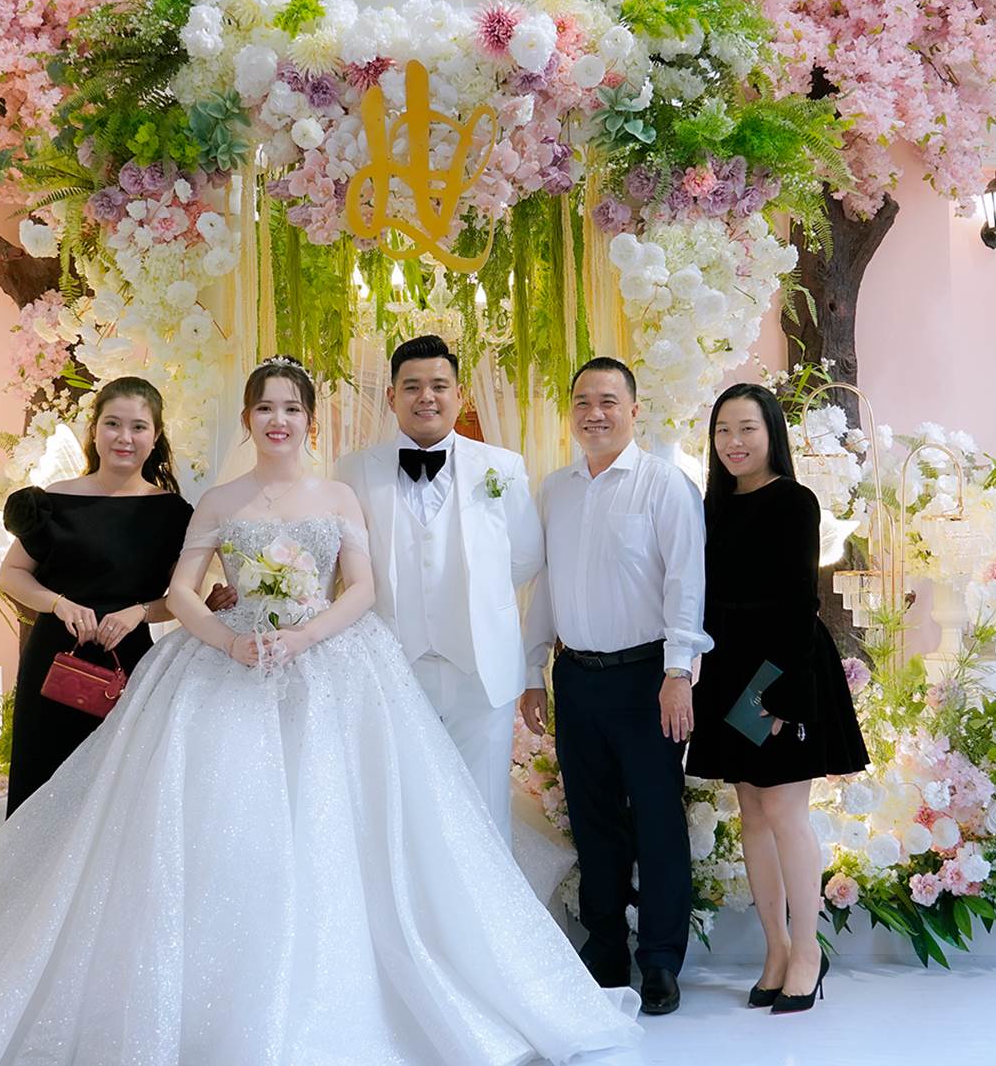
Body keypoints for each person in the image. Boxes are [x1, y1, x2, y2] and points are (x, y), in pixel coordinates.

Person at [0, 356, 642, 1066]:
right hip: (229, 663)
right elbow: (183, 591)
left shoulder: (338, 493)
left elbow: (362, 587)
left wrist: (307, 635)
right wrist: (227, 641)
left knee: (343, 825)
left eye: (291, 408)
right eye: (265, 407)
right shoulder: (219, 500)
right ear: (249, 419)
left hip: (330, 665)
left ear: (310, 421)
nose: (277, 420)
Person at [519, 356, 707, 1017]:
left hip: (648, 678)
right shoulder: (556, 489)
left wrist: (678, 673)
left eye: (607, 401)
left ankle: (659, 960)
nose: (594, 413)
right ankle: (604, 950)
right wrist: (533, 671)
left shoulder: (665, 486)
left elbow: (686, 583)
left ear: (633, 410)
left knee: (657, 820)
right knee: (592, 820)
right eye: (582, 402)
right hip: (576, 677)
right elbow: (547, 585)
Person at [685, 382, 870, 1015]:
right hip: (726, 667)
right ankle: (775, 948)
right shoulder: (711, 507)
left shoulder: (795, 501)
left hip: (782, 667)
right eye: (723, 430)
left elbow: (799, 602)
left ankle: (809, 953)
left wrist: (779, 696)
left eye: (747, 429)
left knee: (787, 813)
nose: (733, 442)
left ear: (771, 435)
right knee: (753, 814)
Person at [336, 335, 542, 841]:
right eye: (412, 387)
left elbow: (526, 555)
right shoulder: (354, 470)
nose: (425, 397)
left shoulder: (502, 466)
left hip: (480, 668)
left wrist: (475, 597)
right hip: (392, 663)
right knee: (403, 807)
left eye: (438, 385)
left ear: (460, 394)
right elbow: (341, 560)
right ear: (392, 397)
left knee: (485, 808)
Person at [0, 376, 232, 814]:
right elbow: (10, 574)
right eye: (113, 424)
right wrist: (58, 603)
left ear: (155, 437)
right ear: (95, 430)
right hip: (52, 664)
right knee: (42, 788)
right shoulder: (53, 500)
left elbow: (179, 598)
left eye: (138, 427)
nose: (125, 437)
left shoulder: (173, 513)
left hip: (129, 666)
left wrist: (138, 612)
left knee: (117, 795)